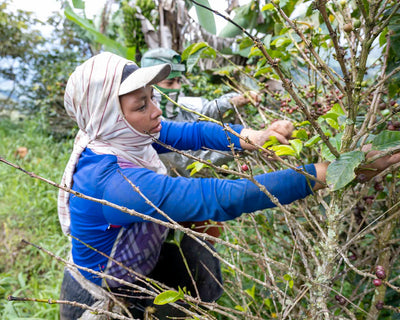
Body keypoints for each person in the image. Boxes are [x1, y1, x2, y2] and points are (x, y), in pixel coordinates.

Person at [57, 52, 400, 319]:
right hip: (100, 297)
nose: (156, 111)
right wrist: (326, 173)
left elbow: (191, 133)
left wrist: (252, 137)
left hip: (139, 266)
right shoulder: (110, 180)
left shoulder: (123, 135)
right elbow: (220, 197)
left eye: (152, 97)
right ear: (108, 117)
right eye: (141, 105)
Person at [140, 47, 261, 176]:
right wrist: (238, 146)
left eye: (178, 81)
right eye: (169, 83)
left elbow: (207, 111)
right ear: (149, 86)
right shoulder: (145, 125)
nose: (177, 87)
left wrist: (234, 101)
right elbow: (184, 159)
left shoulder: (183, 105)